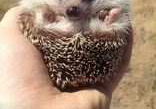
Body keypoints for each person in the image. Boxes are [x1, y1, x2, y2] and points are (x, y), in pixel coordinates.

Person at [0, 7, 133, 109]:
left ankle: (50, 22)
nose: (73, 8)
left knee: (40, 24)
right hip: (89, 43)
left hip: (55, 32)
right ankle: (105, 23)